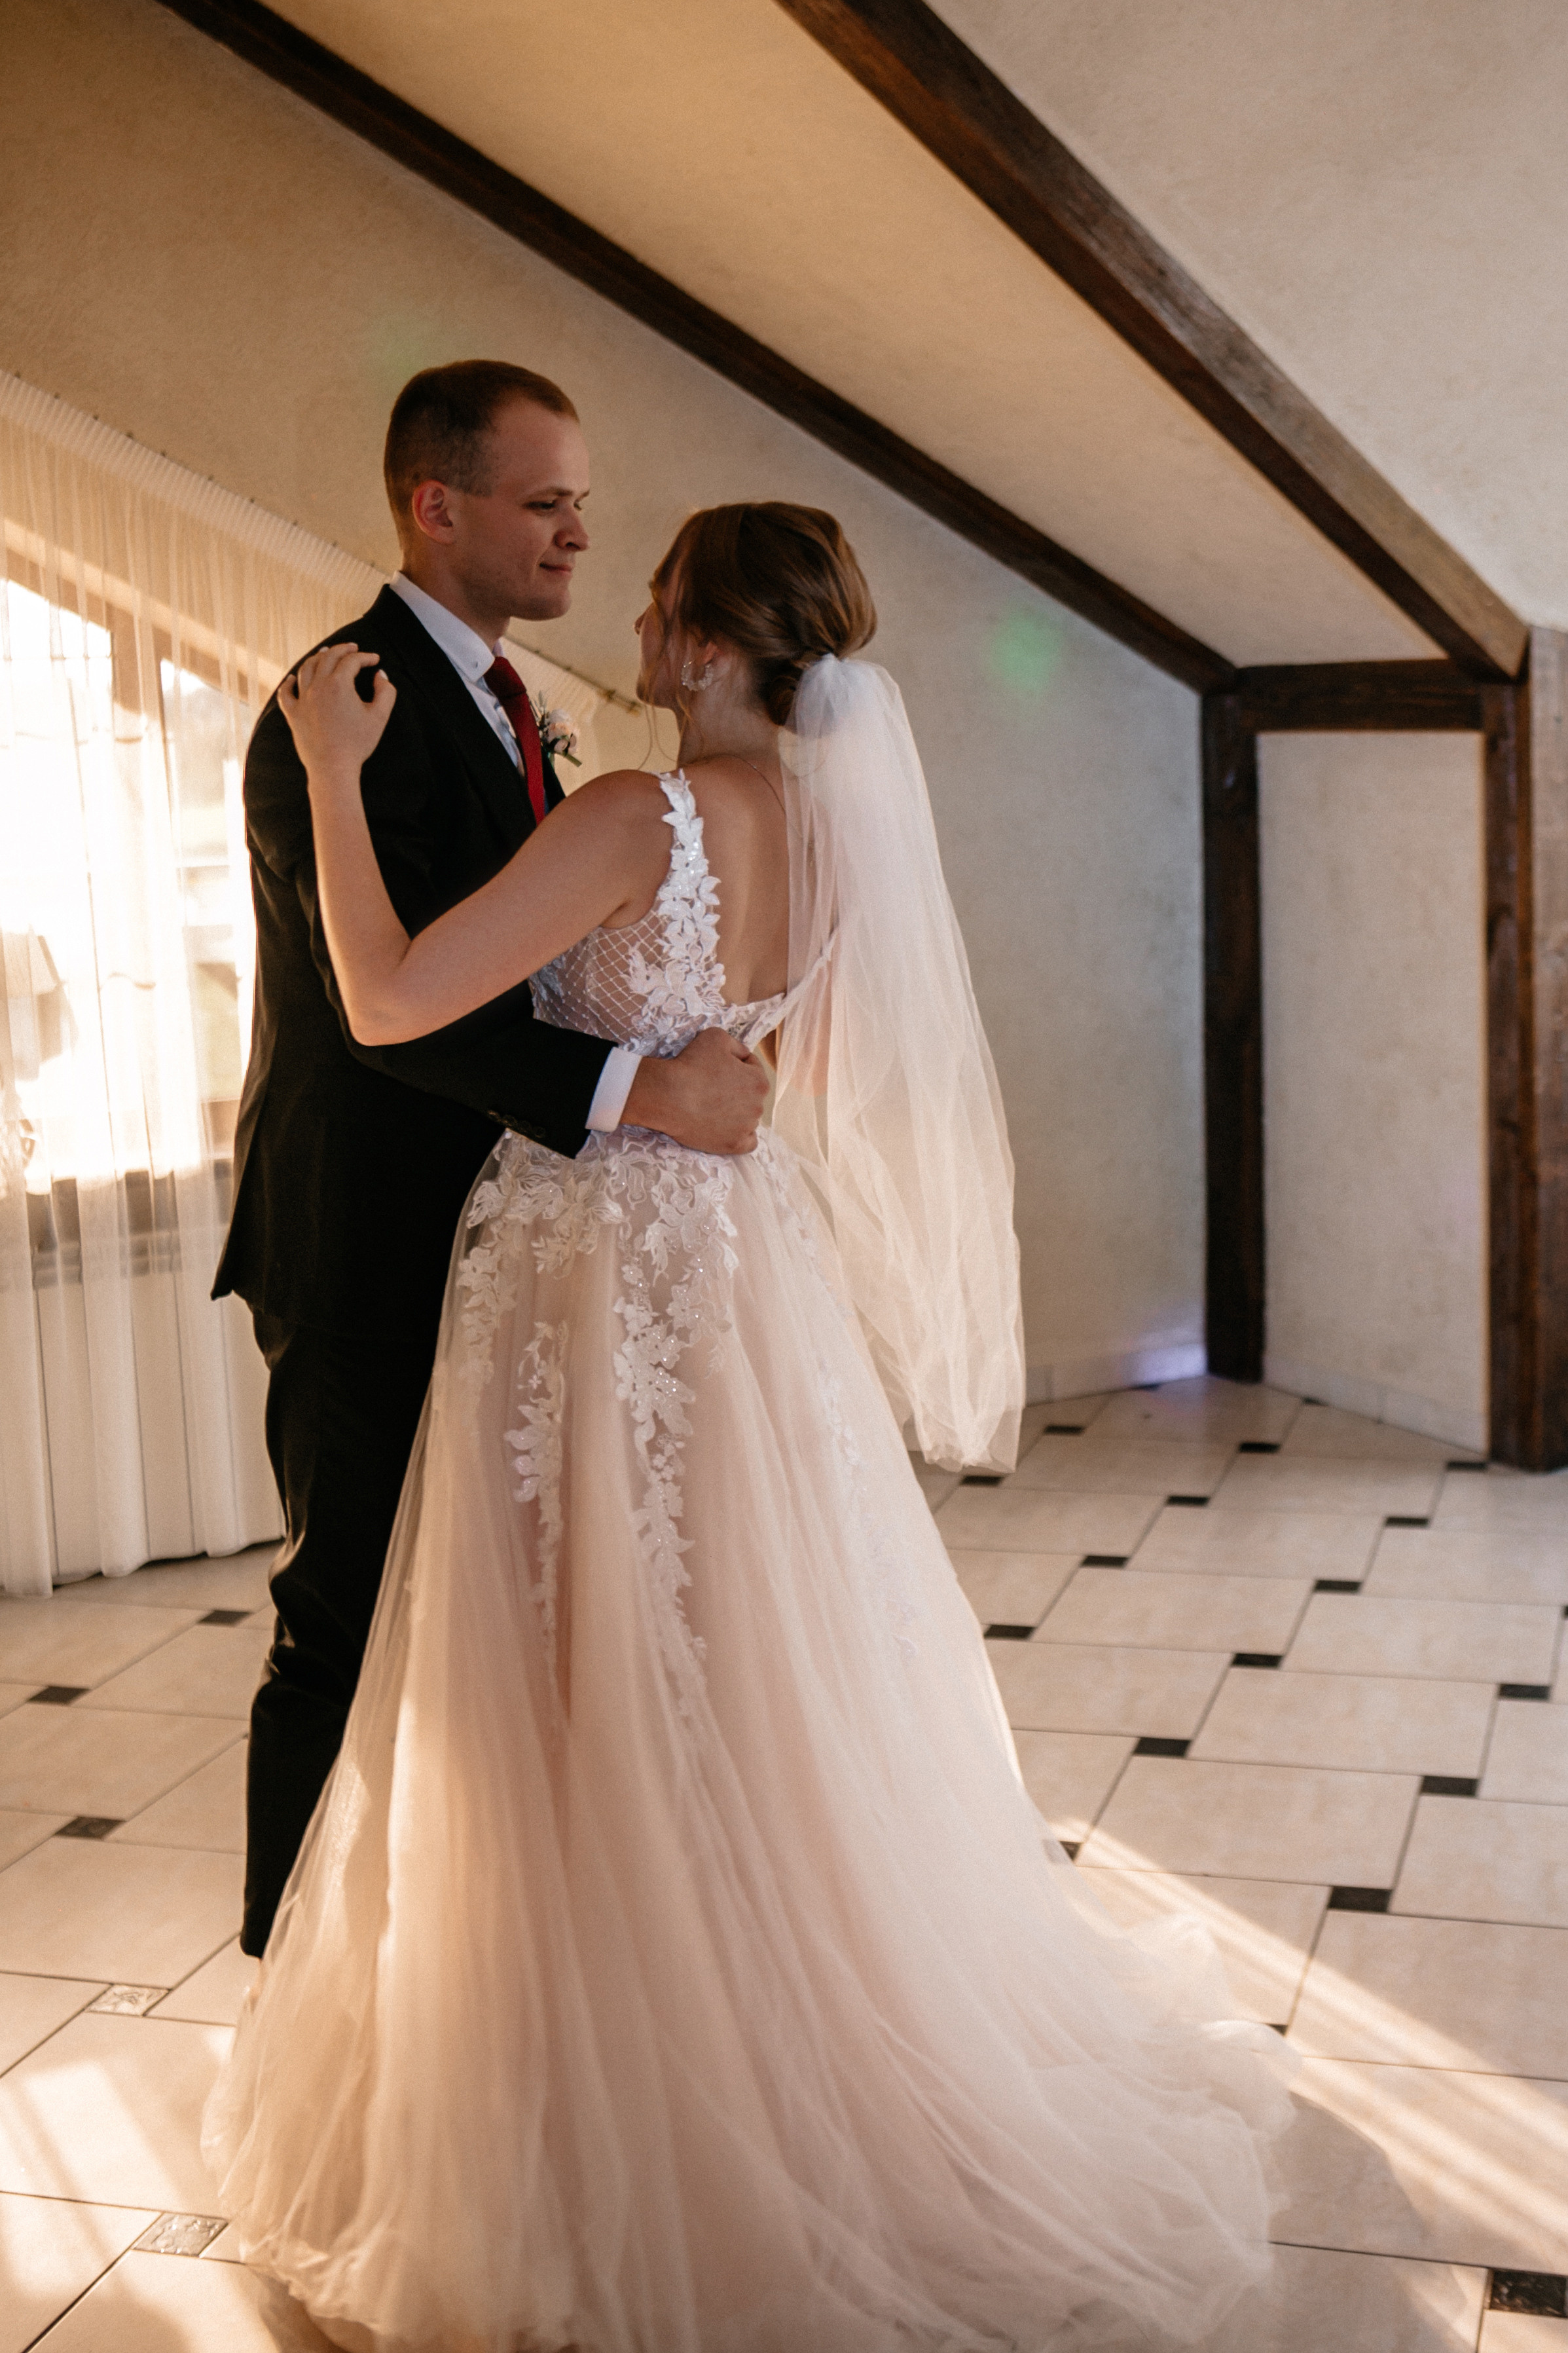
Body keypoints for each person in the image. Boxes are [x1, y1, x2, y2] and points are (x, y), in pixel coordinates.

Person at [206, 502, 1290, 2351]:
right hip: (738, 1272)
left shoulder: (638, 813)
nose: (624, 610)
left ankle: (598, 2089)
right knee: (743, 1663)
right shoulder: (836, 824)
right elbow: (777, 1062)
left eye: (654, 596)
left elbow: (386, 999)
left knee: (573, 1680)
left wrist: (324, 768)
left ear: (708, 641)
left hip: (589, 1278)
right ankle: (773, 2039)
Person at [213, 362, 767, 1957]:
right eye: (544, 501)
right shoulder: (341, 703)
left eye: (582, 499)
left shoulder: (527, 703)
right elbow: (386, 1016)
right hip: (365, 1226)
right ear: (433, 504)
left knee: (498, 1622)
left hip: (513, 1232)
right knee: (346, 1611)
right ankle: (287, 1978)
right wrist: (641, 1091)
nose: (579, 532)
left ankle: (472, 1966)